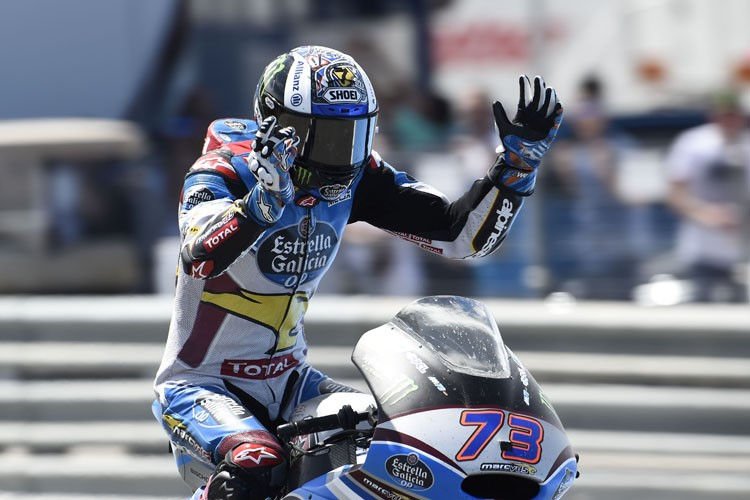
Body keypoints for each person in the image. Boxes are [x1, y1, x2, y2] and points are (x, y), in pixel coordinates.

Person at [152, 45, 562, 500]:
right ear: (282, 127)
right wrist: (260, 207)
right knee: (256, 462)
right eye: (329, 138)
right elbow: (199, 255)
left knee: (396, 438)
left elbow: (462, 236)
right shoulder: (223, 171)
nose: (343, 157)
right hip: (202, 383)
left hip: (290, 380)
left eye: (355, 135)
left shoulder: (360, 177)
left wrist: (517, 167)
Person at [666, 91, 750, 302]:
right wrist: (708, 215)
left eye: (733, 115)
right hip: (702, 251)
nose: (729, 120)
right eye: (724, 115)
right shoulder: (694, 144)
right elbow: (675, 194)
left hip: (743, 253)